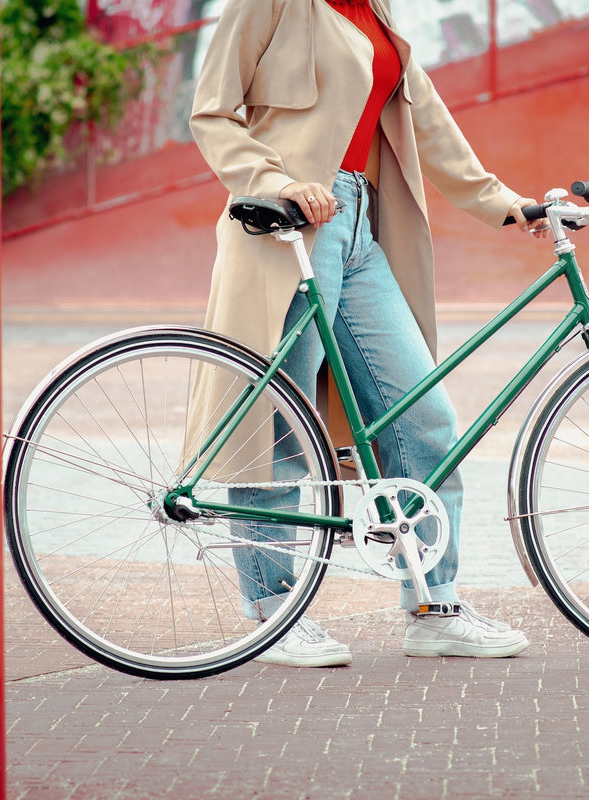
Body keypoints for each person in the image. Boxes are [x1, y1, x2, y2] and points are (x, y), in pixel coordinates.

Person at [190, 0, 545, 667]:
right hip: (291, 222)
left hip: (358, 224)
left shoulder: (375, 11)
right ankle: (273, 614)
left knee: (423, 416)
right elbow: (212, 109)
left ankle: (433, 608)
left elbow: (428, 122)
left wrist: (507, 205)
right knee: (281, 428)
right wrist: (275, 181)